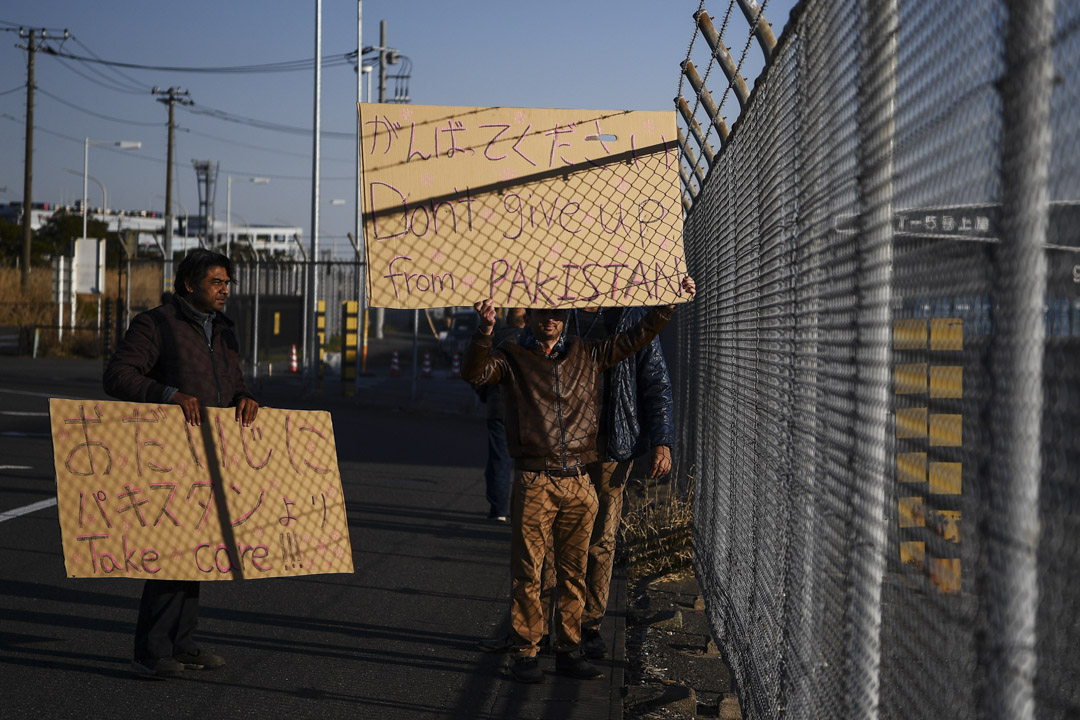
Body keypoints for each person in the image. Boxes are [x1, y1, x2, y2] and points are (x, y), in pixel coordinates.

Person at [462, 276, 695, 684]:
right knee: (536, 560)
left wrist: (668, 305)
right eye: (543, 312)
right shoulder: (533, 339)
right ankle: (530, 644)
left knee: (587, 553)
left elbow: (644, 358)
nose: (550, 318)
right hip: (544, 464)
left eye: (556, 312)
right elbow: (479, 371)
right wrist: (486, 330)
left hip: (596, 459)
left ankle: (578, 637)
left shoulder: (606, 336)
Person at [103, 248, 259, 679]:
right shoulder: (156, 323)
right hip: (168, 456)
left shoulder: (224, 330)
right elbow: (118, 375)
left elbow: (234, 383)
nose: (224, 289)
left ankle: (183, 644)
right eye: (216, 282)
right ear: (189, 284)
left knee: (198, 553)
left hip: (213, 454)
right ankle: (152, 652)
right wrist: (169, 395)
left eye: (227, 282)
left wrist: (245, 399)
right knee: (171, 554)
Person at [538, 305, 675, 659]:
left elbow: (654, 380)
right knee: (552, 537)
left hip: (612, 443)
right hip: (561, 444)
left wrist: (662, 439)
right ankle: (545, 626)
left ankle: (588, 625)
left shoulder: (630, 316)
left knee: (602, 537)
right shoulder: (554, 310)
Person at [480, 308, 527, 522]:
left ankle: (499, 509)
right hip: (529, 409)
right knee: (528, 460)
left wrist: (485, 395)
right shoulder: (533, 341)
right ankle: (526, 509)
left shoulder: (496, 339)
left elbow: (478, 372)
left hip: (498, 405)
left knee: (499, 457)